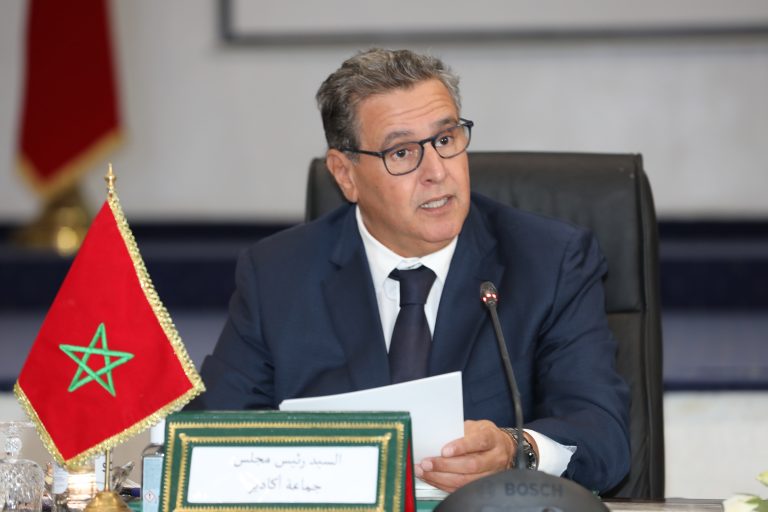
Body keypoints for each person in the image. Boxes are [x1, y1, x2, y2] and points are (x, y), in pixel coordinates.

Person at [188, 48, 630, 494]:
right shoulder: (277, 274)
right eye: (401, 152)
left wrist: (517, 448)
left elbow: (602, 435)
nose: (437, 172)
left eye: (446, 140)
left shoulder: (549, 261)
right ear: (345, 174)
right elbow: (213, 439)